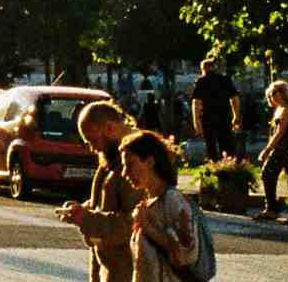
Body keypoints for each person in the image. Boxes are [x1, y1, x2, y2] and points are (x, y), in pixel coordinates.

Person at [55, 101, 135, 282]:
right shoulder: (110, 160)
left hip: (130, 272)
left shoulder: (135, 163)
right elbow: (105, 204)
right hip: (111, 270)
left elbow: (135, 223)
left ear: (109, 128)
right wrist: (82, 209)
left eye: (93, 141)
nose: (92, 148)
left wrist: (87, 219)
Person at [121, 130, 198, 282]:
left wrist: (148, 228)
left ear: (150, 161)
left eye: (130, 164)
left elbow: (187, 254)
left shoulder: (173, 200)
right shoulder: (147, 202)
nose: (124, 173)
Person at [253, 80, 288, 224]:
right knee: (268, 174)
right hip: (281, 148)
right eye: (269, 93)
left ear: (282, 93)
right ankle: (272, 209)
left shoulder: (287, 109)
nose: (270, 96)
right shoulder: (279, 109)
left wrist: (267, 150)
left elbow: (280, 133)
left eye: (273, 93)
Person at [189, 58, 239, 163]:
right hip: (224, 116)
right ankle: (228, 165)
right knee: (226, 143)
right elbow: (235, 99)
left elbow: (196, 103)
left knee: (210, 145)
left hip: (207, 117)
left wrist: (196, 122)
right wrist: (236, 115)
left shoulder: (201, 81)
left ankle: (214, 166)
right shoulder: (225, 79)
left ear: (204, 69)